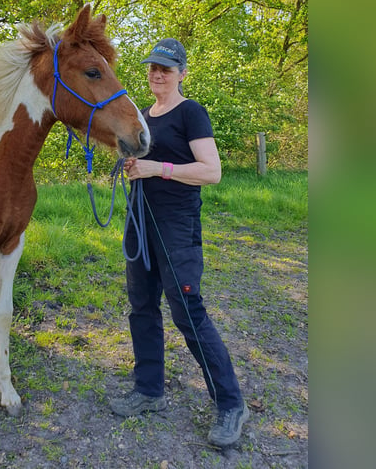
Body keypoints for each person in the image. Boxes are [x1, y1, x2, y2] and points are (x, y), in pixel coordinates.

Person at [109, 38, 249, 447]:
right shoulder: (142, 115)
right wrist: (134, 166)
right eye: (153, 67)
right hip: (141, 224)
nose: (157, 73)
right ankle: (149, 390)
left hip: (177, 227)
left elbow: (211, 172)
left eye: (166, 69)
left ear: (182, 73)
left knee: (188, 311)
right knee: (141, 308)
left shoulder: (191, 112)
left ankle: (230, 403)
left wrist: (157, 168)